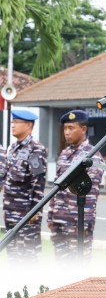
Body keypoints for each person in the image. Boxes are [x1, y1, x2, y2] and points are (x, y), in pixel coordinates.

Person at [47, 110, 103, 259]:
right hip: (59, 220)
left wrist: (84, 223)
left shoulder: (92, 156)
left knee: (78, 268)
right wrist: (51, 215)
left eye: (71, 128)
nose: (66, 132)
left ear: (83, 129)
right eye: (65, 128)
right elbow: (56, 187)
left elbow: (91, 193)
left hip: (76, 222)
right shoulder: (64, 153)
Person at [2, 110, 47, 260]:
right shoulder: (13, 148)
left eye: (16, 122)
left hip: (26, 215)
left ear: (28, 125)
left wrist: (34, 211)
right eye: (12, 122)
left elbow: (38, 182)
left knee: (27, 258)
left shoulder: (35, 149)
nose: (13, 126)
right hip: (10, 213)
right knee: (13, 257)